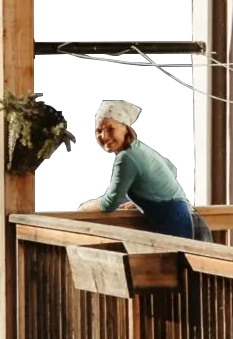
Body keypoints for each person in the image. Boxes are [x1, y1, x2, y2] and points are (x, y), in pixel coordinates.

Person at [84, 100, 202, 240]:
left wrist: (84, 207)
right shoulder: (139, 148)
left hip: (171, 222)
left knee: (173, 261)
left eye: (110, 129)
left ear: (125, 128)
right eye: (99, 131)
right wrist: (145, 199)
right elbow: (170, 169)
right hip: (181, 215)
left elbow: (110, 203)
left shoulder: (126, 157)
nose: (103, 136)